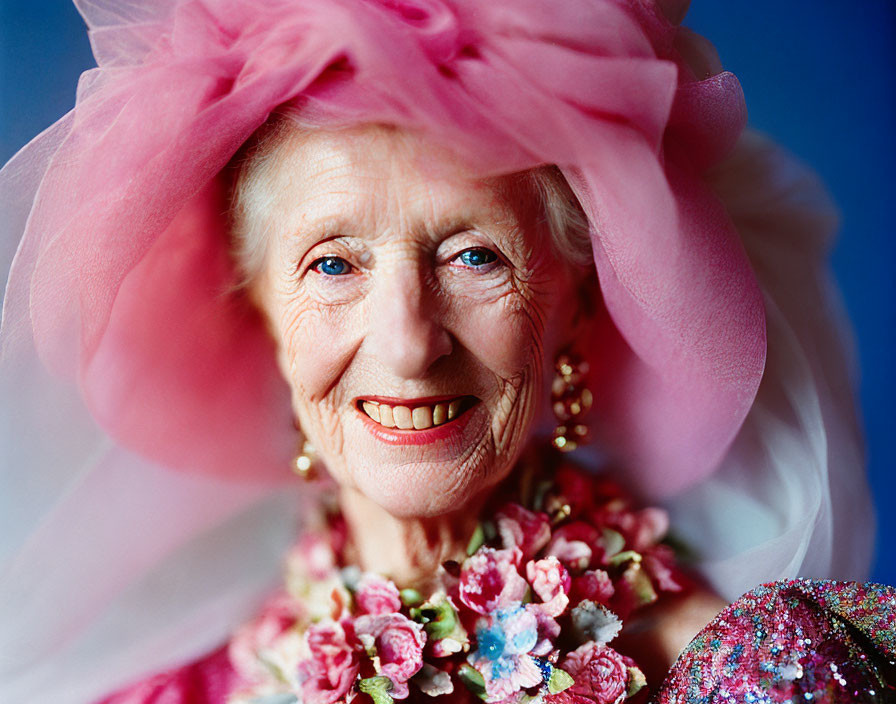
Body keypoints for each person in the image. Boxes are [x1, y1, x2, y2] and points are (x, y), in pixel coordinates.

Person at [0, 1, 891, 702]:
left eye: (474, 256)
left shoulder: (738, 676)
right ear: (260, 318)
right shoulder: (172, 693)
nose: (408, 343)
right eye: (334, 264)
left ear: (578, 302)